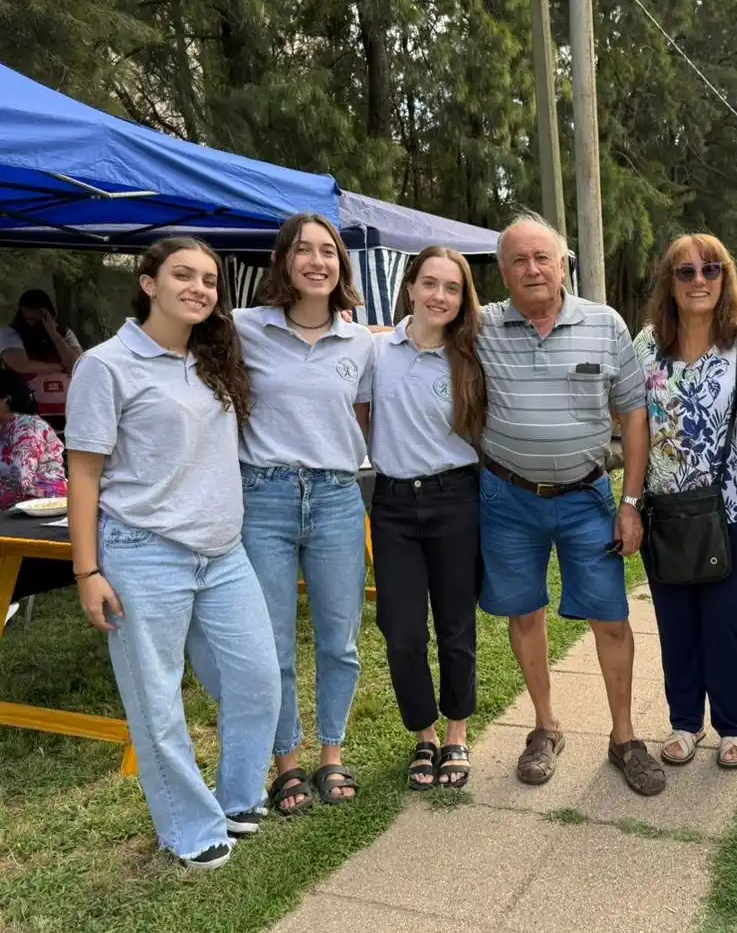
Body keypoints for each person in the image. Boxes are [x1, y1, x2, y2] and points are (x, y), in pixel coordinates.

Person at [64, 237, 280, 871]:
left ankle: (238, 798)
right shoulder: (106, 365)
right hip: (143, 552)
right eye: (182, 275)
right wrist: (87, 571)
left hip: (223, 553)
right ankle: (188, 826)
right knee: (157, 700)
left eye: (210, 279)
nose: (199, 288)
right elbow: (83, 474)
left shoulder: (212, 358)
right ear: (149, 282)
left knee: (257, 681)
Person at [476, 211, 665, 797]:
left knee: (611, 617)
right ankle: (545, 726)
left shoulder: (605, 325)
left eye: (543, 258)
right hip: (506, 498)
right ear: (503, 271)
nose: (532, 269)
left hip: (587, 498)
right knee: (524, 612)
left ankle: (624, 738)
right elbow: (417, 333)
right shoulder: (478, 326)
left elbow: (636, 417)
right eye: (518, 260)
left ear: (563, 265)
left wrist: (631, 502)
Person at [234, 213, 374, 814]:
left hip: (339, 497)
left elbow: (366, 418)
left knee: (340, 639)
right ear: (284, 262)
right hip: (262, 497)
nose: (317, 261)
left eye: (328, 251)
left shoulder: (362, 342)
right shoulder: (243, 328)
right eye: (303, 251)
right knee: (273, 643)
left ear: (341, 263)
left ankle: (332, 756)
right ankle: (286, 762)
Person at [634, 234, 737, 769]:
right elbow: (634, 428)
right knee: (677, 622)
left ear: (725, 278)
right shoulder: (645, 346)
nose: (697, 281)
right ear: (669, 282)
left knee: (730, 621)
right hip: (665, 513)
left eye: (709, 270)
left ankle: (733, 726)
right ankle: (685, 722)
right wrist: (629, 501)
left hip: (732, 509)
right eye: (684, 272)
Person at [368, 246, 486, 789]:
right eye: (431, 284)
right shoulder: (377, 352)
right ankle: (424, 733)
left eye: (453, 288)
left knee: (456, 625)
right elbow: (362, 414)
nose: (440, 296)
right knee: (402, 630)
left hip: (455, 498)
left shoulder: (470, 355)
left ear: (463, 299)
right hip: (393, 504)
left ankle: (456, 732)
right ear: (411, 286)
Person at [2, 289, 84, 429]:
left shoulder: (65, 334)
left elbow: (78, 365)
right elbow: (22, 365)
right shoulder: (9, 334)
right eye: (28, 320)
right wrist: (60, 367)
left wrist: (53, 333)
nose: (32, 324)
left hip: (67, 410)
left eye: (37, 320)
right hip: (26, 411)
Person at [0, 368, 66, 509]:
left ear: (6, 399)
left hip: (42, 504)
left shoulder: (27, 428)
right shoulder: (5, 427)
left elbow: (20, 479)